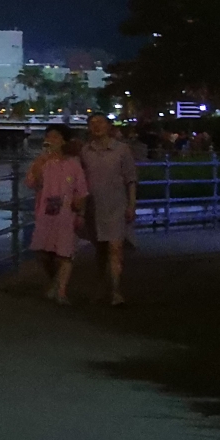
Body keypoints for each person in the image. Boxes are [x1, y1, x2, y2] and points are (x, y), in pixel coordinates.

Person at [78, 112, 138, 306]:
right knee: (101, 250)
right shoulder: (85, 151)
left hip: (116, 206)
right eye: (92, 123)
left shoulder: (122, 150)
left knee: (115, 248)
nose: (96, 126)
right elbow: (78, 179)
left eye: (101, 122)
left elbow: (131, 179)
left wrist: (131, 205)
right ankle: (101, 285)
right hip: (94, 207)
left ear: (109, 126)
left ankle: (116, 290)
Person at [25, 124, 88, 304]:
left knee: (64, 253)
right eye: (48, 136)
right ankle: (55, 282)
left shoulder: (73, 163)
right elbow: (32, 183)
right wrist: (40, 162)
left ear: (63, 141)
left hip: (67, 213)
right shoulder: (41, 162)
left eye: (55, 136)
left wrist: (81, 213)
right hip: (45, 212)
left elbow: (81, 190)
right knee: (43, 253)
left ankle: (61, 291)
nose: (51, 140)